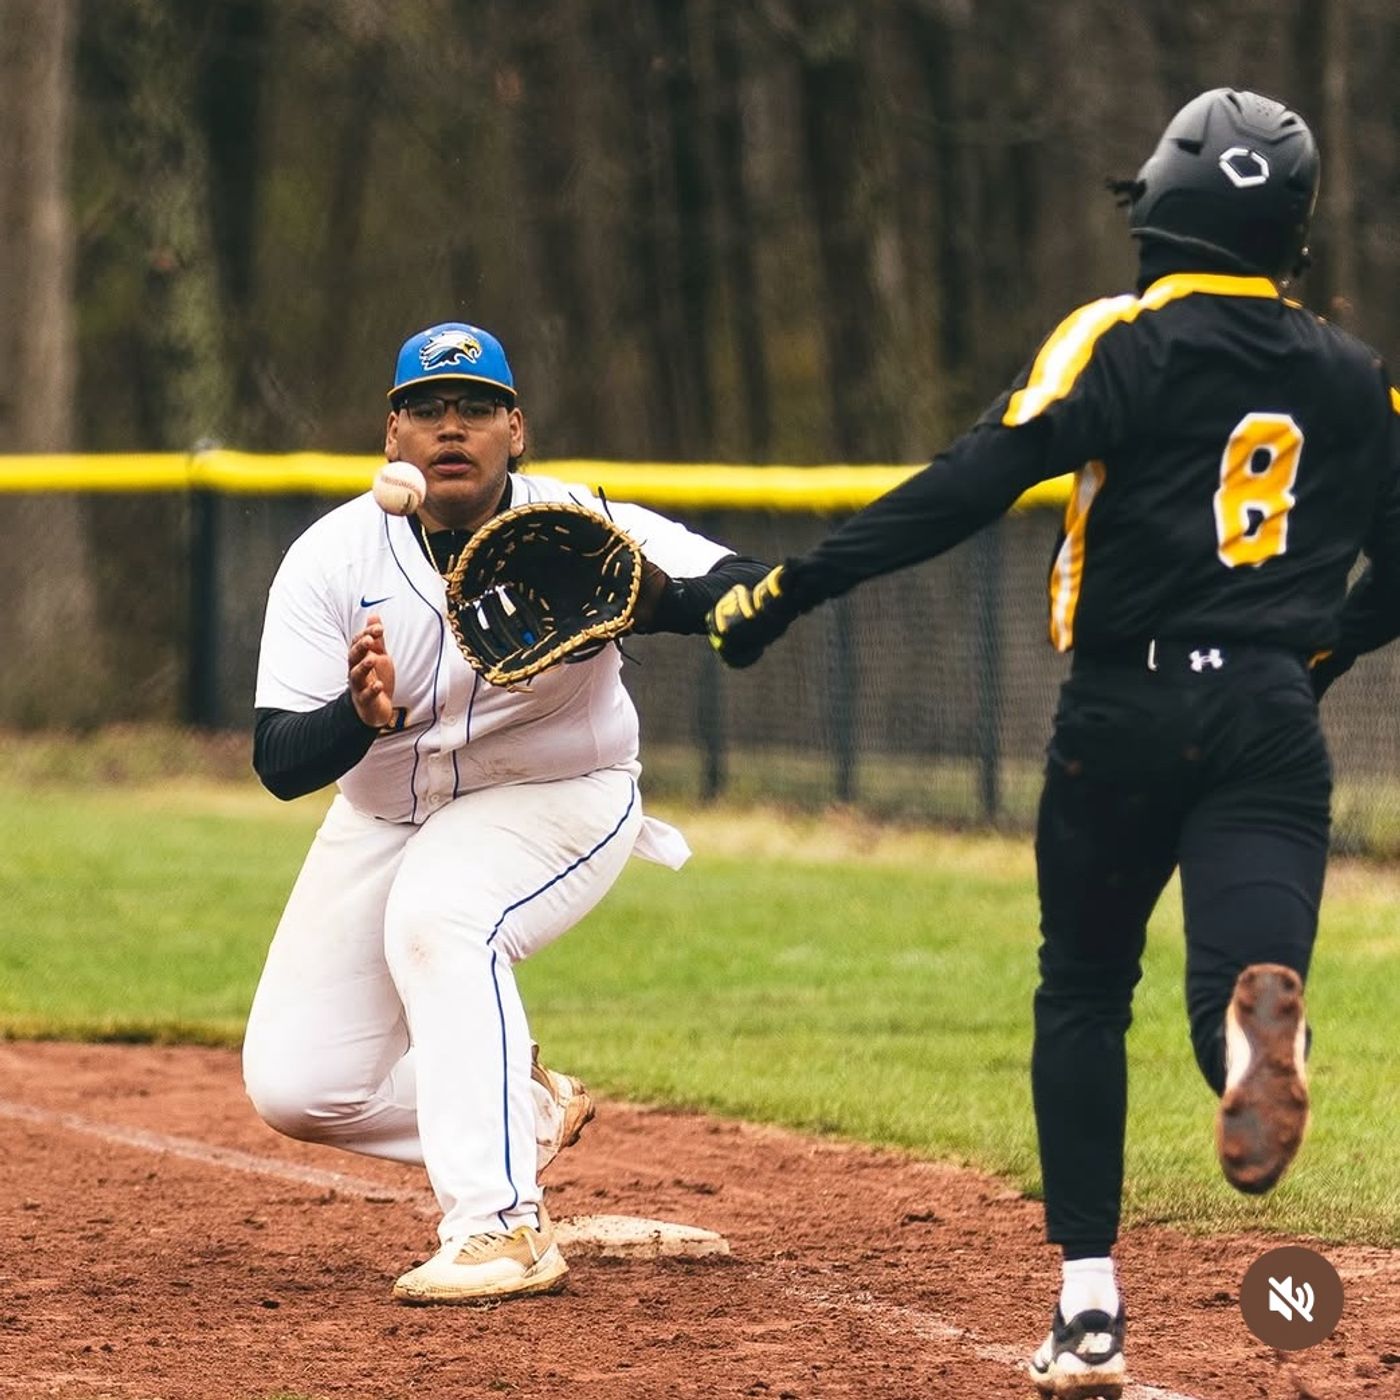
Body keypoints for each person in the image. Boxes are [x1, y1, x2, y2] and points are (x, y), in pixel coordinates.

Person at [707, 89, 1400, 1397]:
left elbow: (979, 478)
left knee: (1084, 989)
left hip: (1124, 707)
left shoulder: (1122, 342)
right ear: (1287, 233)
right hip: (1267, 714)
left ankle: (1089, 1312)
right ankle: (1256, 1053)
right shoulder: (1355, 376)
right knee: (1233, 979)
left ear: (1165, 209)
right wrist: (1325, 653)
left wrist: (797, 589)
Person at [244, 320, 770, 1304]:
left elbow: (748, 593)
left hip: (560, 793)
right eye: (428, 408)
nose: (453, 426)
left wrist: (644, 594)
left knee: (443, 915)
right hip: (385, 815)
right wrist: (356, 719)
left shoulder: (579, 519)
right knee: (298, 1085)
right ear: (391, 432)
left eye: (476, 407)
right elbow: (277, 760)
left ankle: (500, 1225)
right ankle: (521, 1109)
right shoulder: (332, 557)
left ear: (515, 428)